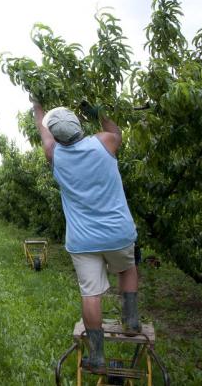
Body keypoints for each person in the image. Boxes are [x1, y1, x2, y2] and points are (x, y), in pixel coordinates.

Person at [30, 97, 140, 372]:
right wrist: (98, 112)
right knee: (126, 270)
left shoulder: (54, 154)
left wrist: (37, 105)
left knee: (91, 294)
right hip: (118, 232)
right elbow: (117, 133)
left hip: (83, 240)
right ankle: (131, 321)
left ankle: (97, 356)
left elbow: (42, 129)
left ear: (57, 135)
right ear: (79, 125)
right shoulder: (104, 142)